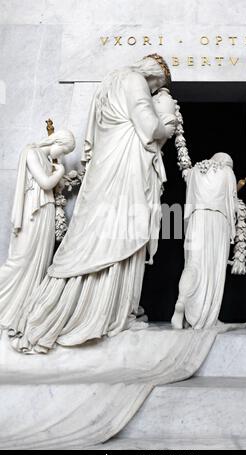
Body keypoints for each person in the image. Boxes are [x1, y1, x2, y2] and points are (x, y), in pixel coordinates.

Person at [10, 54, 177, 354]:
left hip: (105, 164)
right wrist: (167, 125)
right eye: (156, 85)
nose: (154, 91)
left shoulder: (109, 81)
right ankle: (107, 313)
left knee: (98, 233)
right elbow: (150, 127)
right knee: (120, 233)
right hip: (124, 168)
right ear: (152, 76)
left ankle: (104, 309)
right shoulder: (135, 80)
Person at [0, 130, 75, 332]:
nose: (62, 153)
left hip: (45, 214)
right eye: (64, 148)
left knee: (38, 264)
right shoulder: (31, 152)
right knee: (20, 261)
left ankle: (20, 311)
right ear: (56, 141)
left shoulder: (46, 157)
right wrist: (58, 172)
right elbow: (45, 183)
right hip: (33, 215)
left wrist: (57, 169)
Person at [171, 152, 238, 329]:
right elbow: (232, 204)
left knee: (192, 265)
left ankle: (181, 302)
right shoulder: (227, 173)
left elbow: (189, 200)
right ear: (224, 162)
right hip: (217, 220)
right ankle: (208, 317)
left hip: (196, 219)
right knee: (214, 268)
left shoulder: (194, 171)